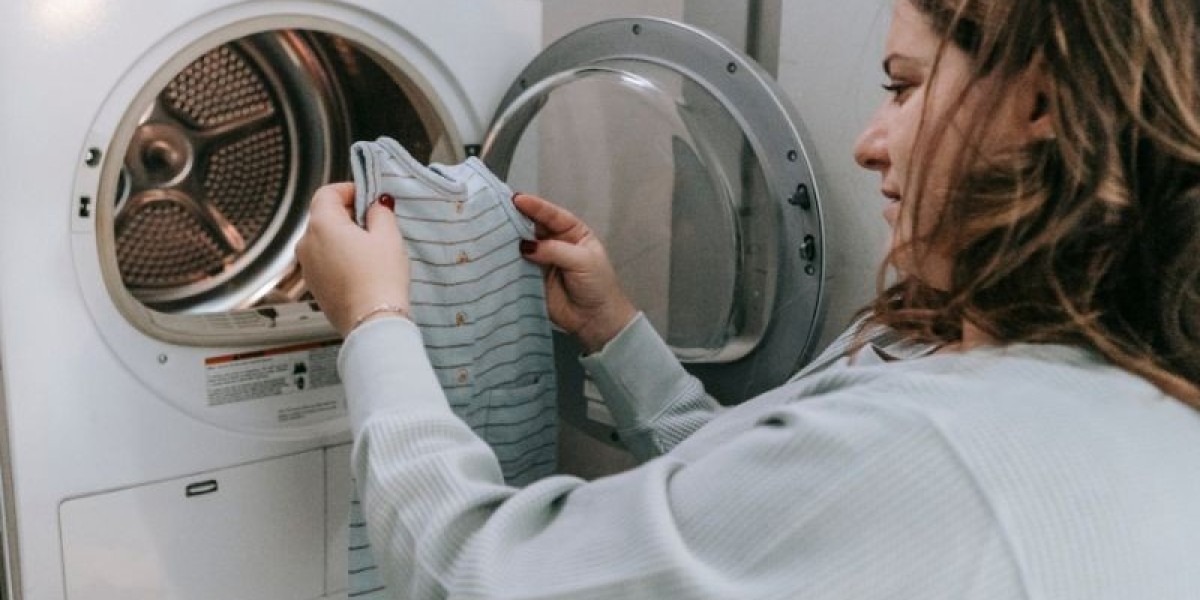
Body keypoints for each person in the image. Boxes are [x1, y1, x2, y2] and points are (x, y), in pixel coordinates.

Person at [295, 0, 1200, 597]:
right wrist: (615, 333)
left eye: (905, 86)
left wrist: (377, 322)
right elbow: (764, 521)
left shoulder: (941, 448)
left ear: (1039, 97)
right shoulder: (1103, 386)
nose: (868, 143)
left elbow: (477, 574)